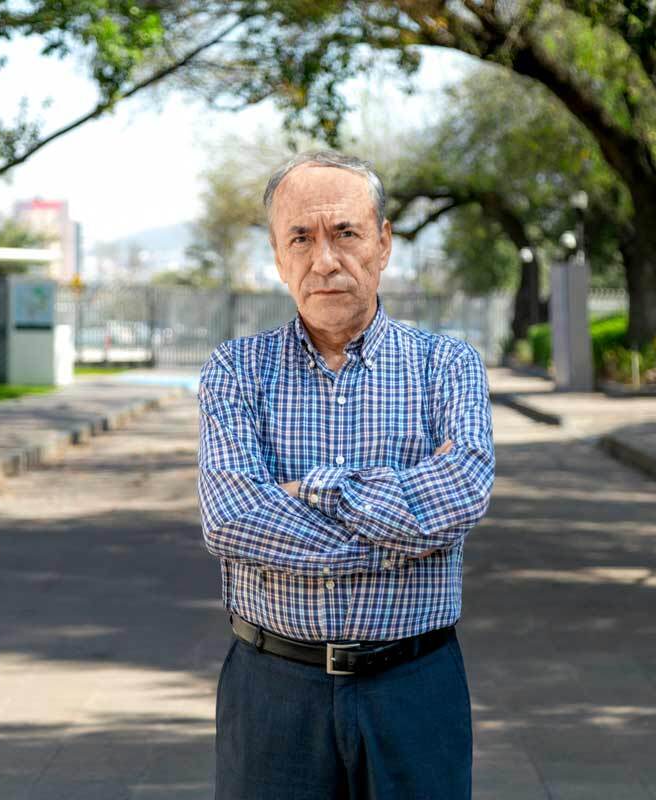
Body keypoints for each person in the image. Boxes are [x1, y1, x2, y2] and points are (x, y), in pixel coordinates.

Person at [196, 149, 495, 799]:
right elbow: (232, 519)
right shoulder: (236, 372)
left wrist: (315, 489)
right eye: (300, 238)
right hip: (273, 690)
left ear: (384, 244)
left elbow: (463, 495)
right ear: (277, 255)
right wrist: (401, 531)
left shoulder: (447, 367)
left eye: (346, 234)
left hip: (415, 687)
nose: (324, 260)